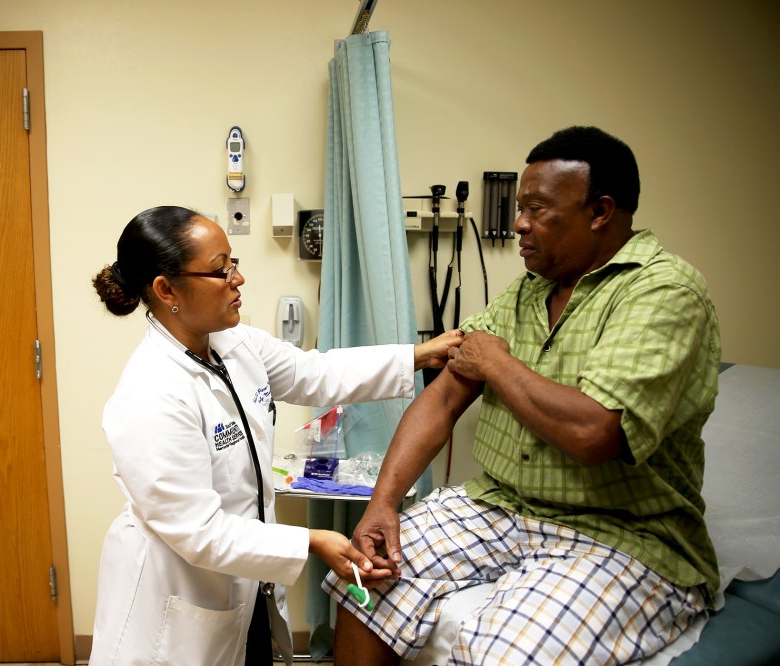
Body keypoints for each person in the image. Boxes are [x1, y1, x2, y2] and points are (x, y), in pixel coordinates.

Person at [325, 126, 721, 665]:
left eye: (537, 208)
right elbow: (443, 399)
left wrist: (498, 363)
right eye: (519, 206)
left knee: (501, 650)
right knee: (361, 577)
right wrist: (383, 504)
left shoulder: (663, 292)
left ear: (600, 211)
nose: (518, 223)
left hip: (619, 530)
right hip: (502, 504)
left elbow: (595, 432)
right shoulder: (528, 290)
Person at [88, 205, 462, 666]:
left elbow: (319, 373)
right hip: (176, 599)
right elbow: (199, 532)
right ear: (167, 290)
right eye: (219, 270)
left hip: (246, 583)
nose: (237, 279)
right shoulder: (150, 395)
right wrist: (311, 540)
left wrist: (419, 355)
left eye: (234, 262)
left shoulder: (235, 343)